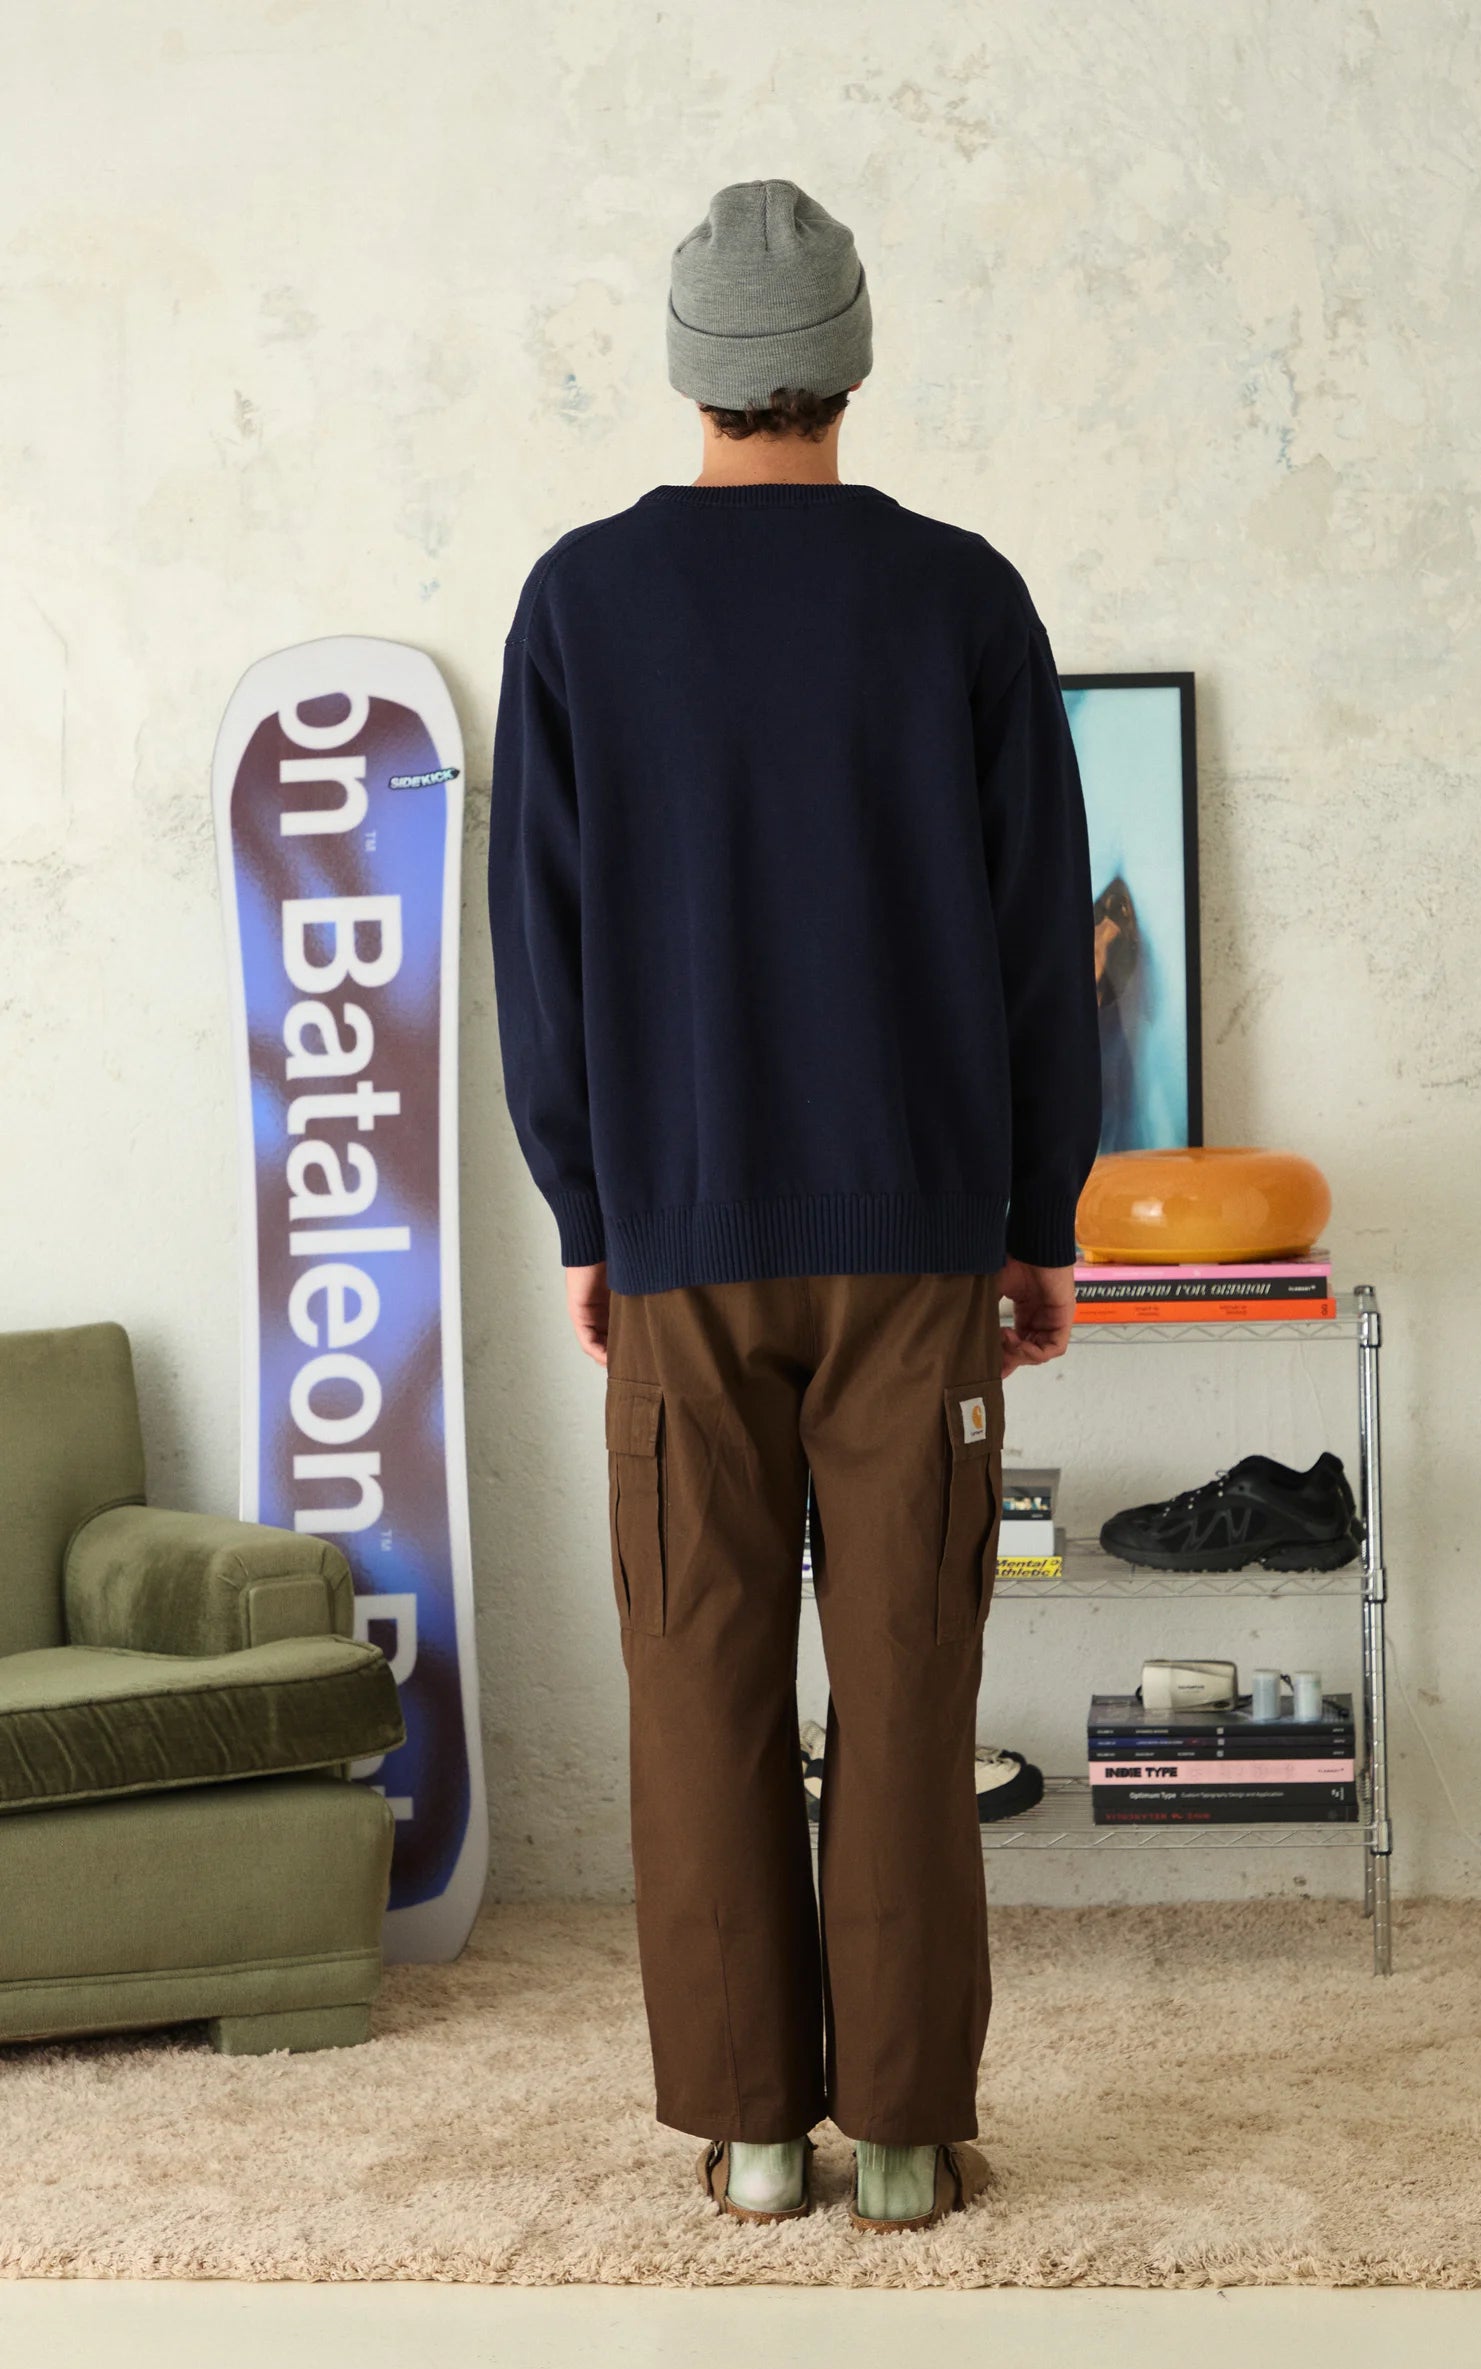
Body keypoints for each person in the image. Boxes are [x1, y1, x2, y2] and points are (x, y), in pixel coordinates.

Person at [489, 179, 1100, 2230]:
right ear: (851, 356)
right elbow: (1037, 943)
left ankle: (755, 2136)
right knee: (911, 1685)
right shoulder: (962, 598)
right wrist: (1037, 1217)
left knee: (696, 1681)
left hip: (682, 1238)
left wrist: (589, 1209)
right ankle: (904, 2136)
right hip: (918, 1243)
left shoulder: (579, 605)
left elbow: (540, 946)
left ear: (688, 367)